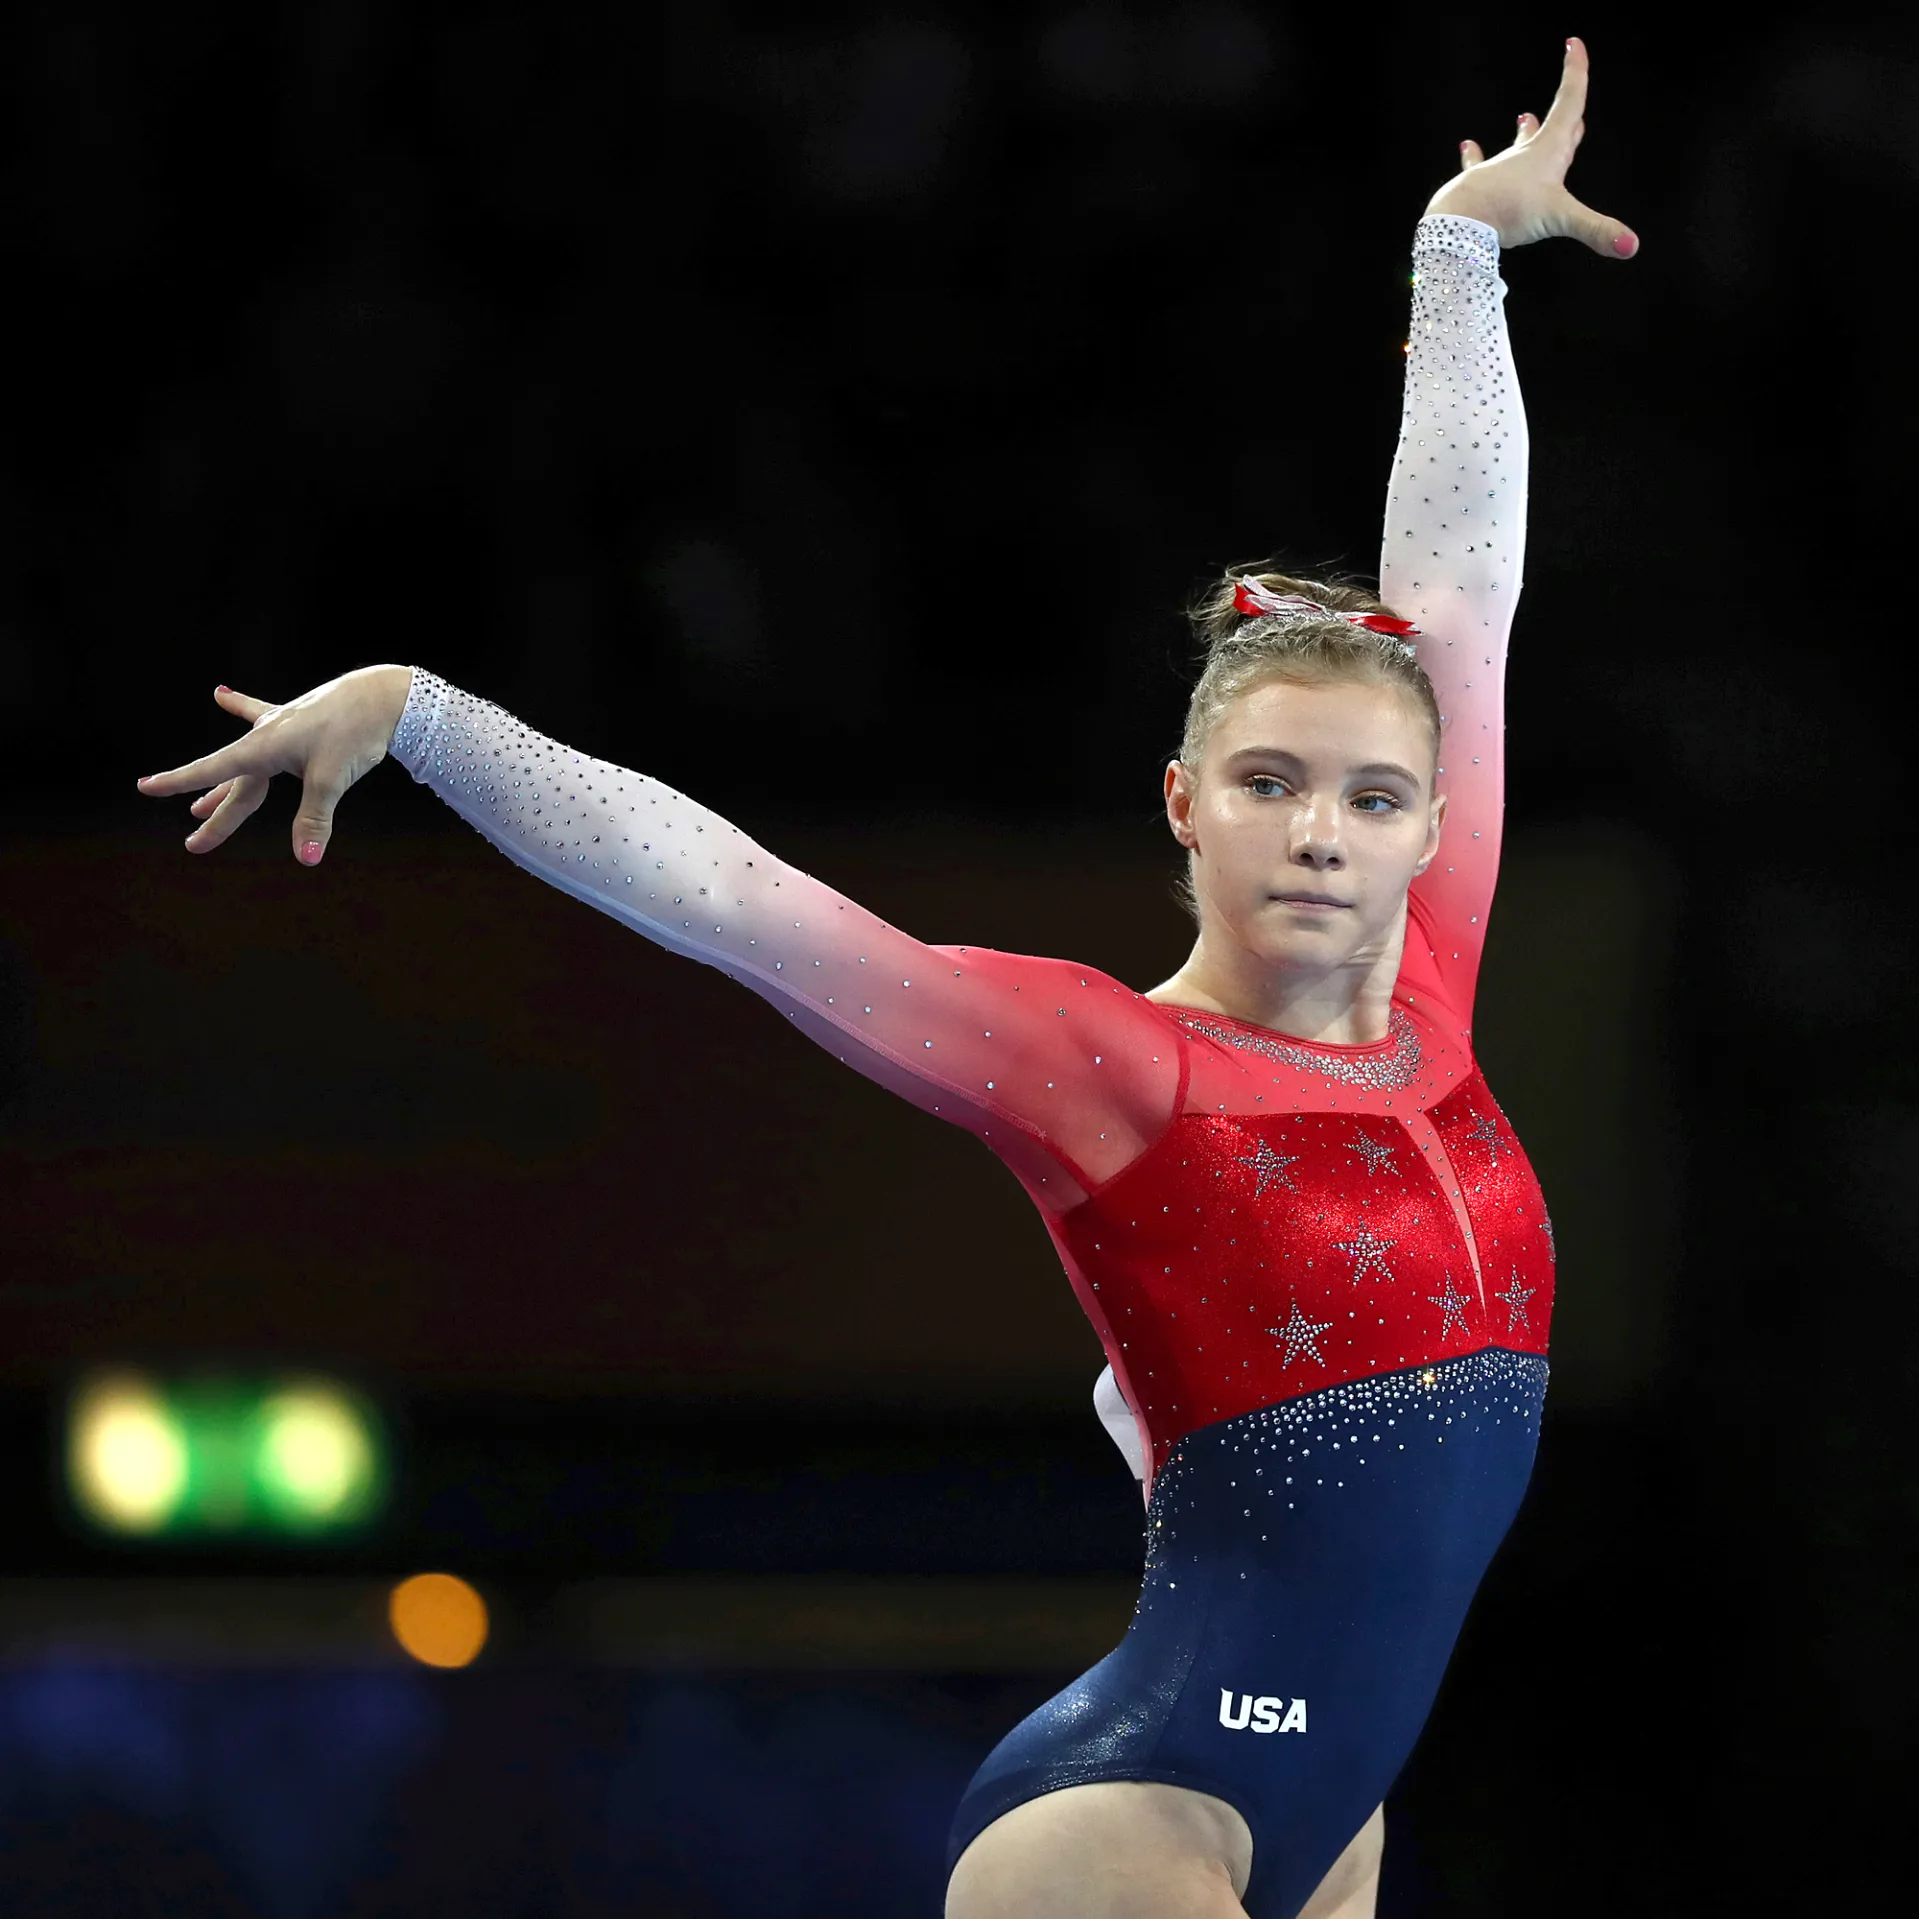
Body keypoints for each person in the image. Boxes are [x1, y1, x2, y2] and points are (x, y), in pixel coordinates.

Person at [135, 37, 1635, 1919]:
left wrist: (1456, 249)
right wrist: (423, 716)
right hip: (1135, 1810)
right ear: (1184, 804)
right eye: (1267, 784)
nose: (1320, 832)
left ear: (1429, 825)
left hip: (1338, 1810)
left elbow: (1459, 592)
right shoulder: (1107, 1063)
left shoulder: (1433, 987)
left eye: (1369, 796)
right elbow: (739, 901)